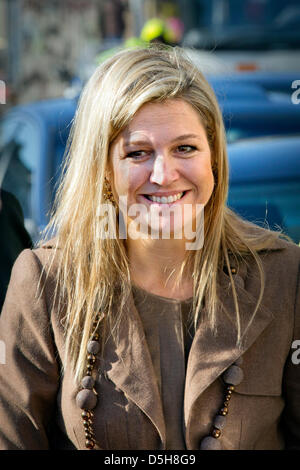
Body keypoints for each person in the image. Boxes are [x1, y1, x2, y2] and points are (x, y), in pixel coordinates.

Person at [0, 46, 299, 450]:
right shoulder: (45, 282)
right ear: (104, 169)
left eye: (186, 148)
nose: (164, 174)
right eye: (138, 152)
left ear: (214, 158)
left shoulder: (284, 277)